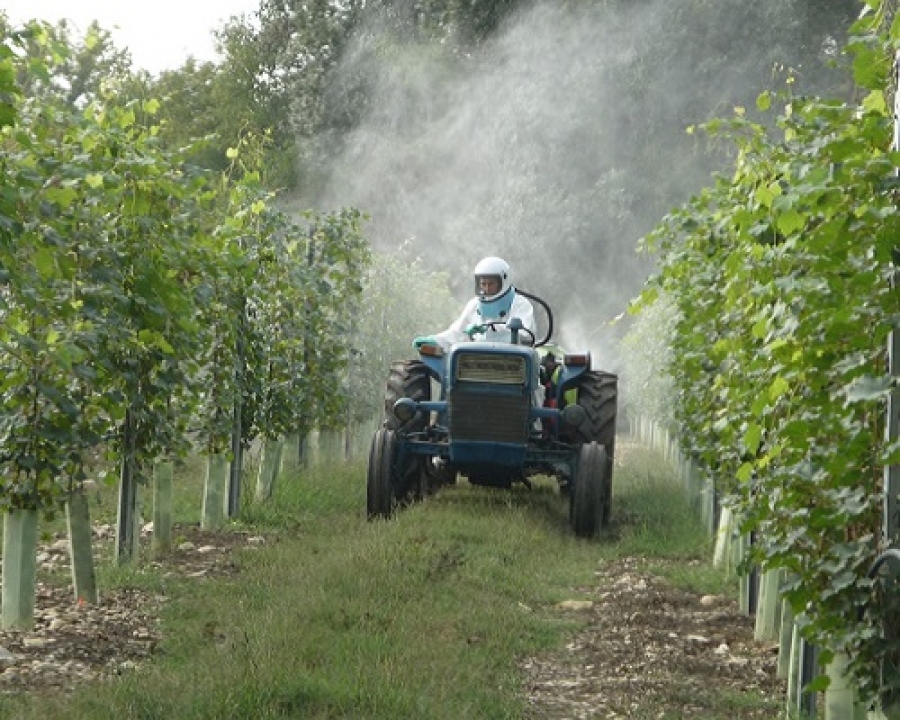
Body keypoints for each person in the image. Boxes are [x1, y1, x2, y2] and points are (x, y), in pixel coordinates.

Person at [413, 256, 536, 352]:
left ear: (503, 281)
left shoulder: (520, 305)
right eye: (483, 284)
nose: (486, 289)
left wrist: (488, 329)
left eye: (491, 284)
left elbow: (526, 336)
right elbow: (457, 333)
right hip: (475, 363)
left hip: (513, 365)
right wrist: (434, 341)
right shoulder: (474, 305)